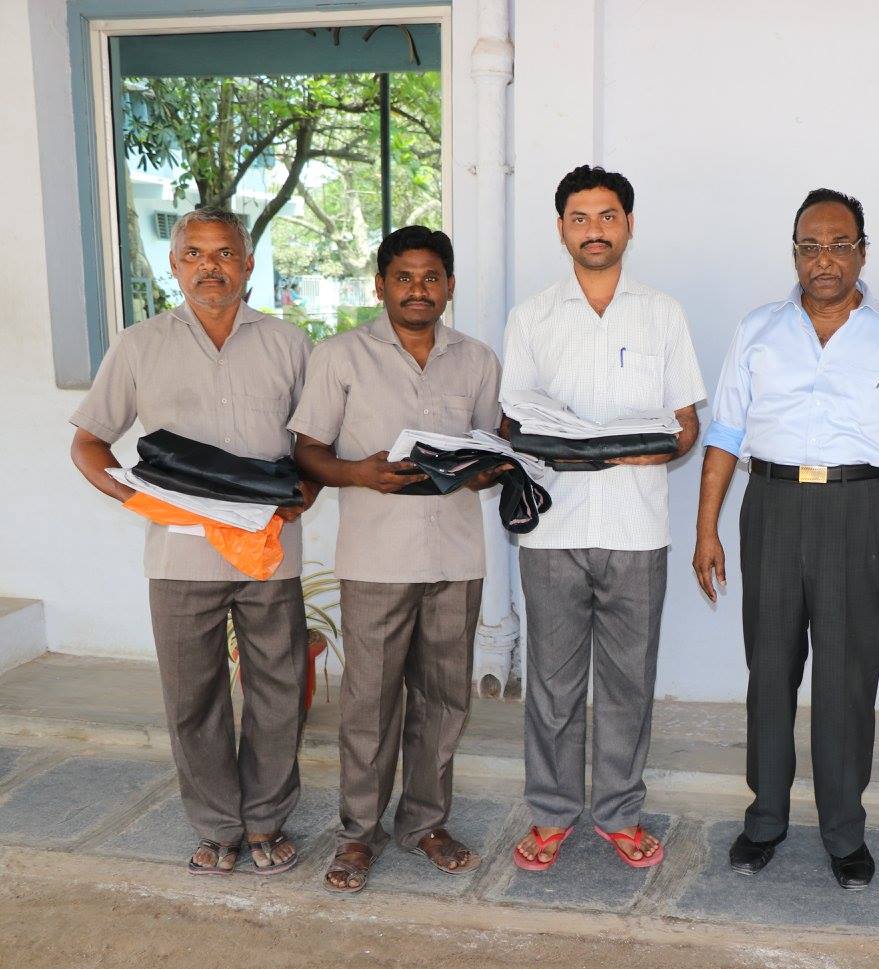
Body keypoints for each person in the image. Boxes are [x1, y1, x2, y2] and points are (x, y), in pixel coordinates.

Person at [695, 188, 879, 890]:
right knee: (769, 670)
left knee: (846, 677)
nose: (824, 260)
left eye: (839, 245)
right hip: (770, 506)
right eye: (811, 247)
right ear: (795, 254)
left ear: (863, 252)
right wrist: (706, 528)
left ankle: (844, 831)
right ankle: (764, 820)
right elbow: (725, 434)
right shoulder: (758, 329)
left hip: (857, 510)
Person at [70, 207, 315, 877]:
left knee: (278, 691)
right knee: (192, 698)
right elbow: (88, 442)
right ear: (175, 265)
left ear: (248, 264)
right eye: (196, 254)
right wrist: (134, 497)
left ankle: (265, 821)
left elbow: (315, 442)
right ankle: (217, 828)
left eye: (225, 253)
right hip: (181, 555)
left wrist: (304, 497)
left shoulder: (290, 343)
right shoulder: (139, 344)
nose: (212, 266)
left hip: (266, 551)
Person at [504, 165, 705, 872]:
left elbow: (686, 423)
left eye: (608, 216)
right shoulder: (531, 317)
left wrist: (658, 448)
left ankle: (620, 812)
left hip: (636, 529)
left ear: (629, 225)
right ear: (562, 228)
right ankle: (551, 813)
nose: (595, 230)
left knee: (627, 684)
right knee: (552, 685)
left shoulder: (663, 314)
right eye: (580, 218)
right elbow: (513, 420)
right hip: (553, 529)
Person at [290, 225, 502, 894]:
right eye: (403, 277)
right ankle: (358, 834)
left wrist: (486, 467)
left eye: (431, 277)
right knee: (370, 704)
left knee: (444, 700)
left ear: (450, 286)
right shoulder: (340, 356)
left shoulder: (477, 360)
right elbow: (307, 450)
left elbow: (491, 447)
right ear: (380, 285)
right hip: (376, 558)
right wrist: (359, 472)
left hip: (455, 556)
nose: (418, 290)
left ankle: (425, 824)